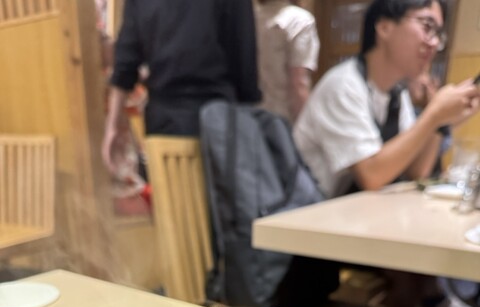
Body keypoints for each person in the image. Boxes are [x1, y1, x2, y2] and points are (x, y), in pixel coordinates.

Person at [293, 0, 480, 199]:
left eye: (438, 34)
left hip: (350, 210)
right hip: (308, 210)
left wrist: (442, 122)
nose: (433, 43)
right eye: (427, 26)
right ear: (384, 28)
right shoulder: (343, 85)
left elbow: (416, 171)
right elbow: (372, 176)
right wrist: (434, 114)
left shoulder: (397, 93)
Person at [102, 0, 261, 174]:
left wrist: (113, 124)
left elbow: (126, 62)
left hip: (164, 125)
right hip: (221, 120)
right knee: (228, 189)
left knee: (171, 190)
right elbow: (245, 59)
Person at [254, 0, 319, 123]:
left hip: (247, 118)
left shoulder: (247, 19)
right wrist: (306, 126)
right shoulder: (299, 21)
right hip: (281, 120)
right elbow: (298, 84)